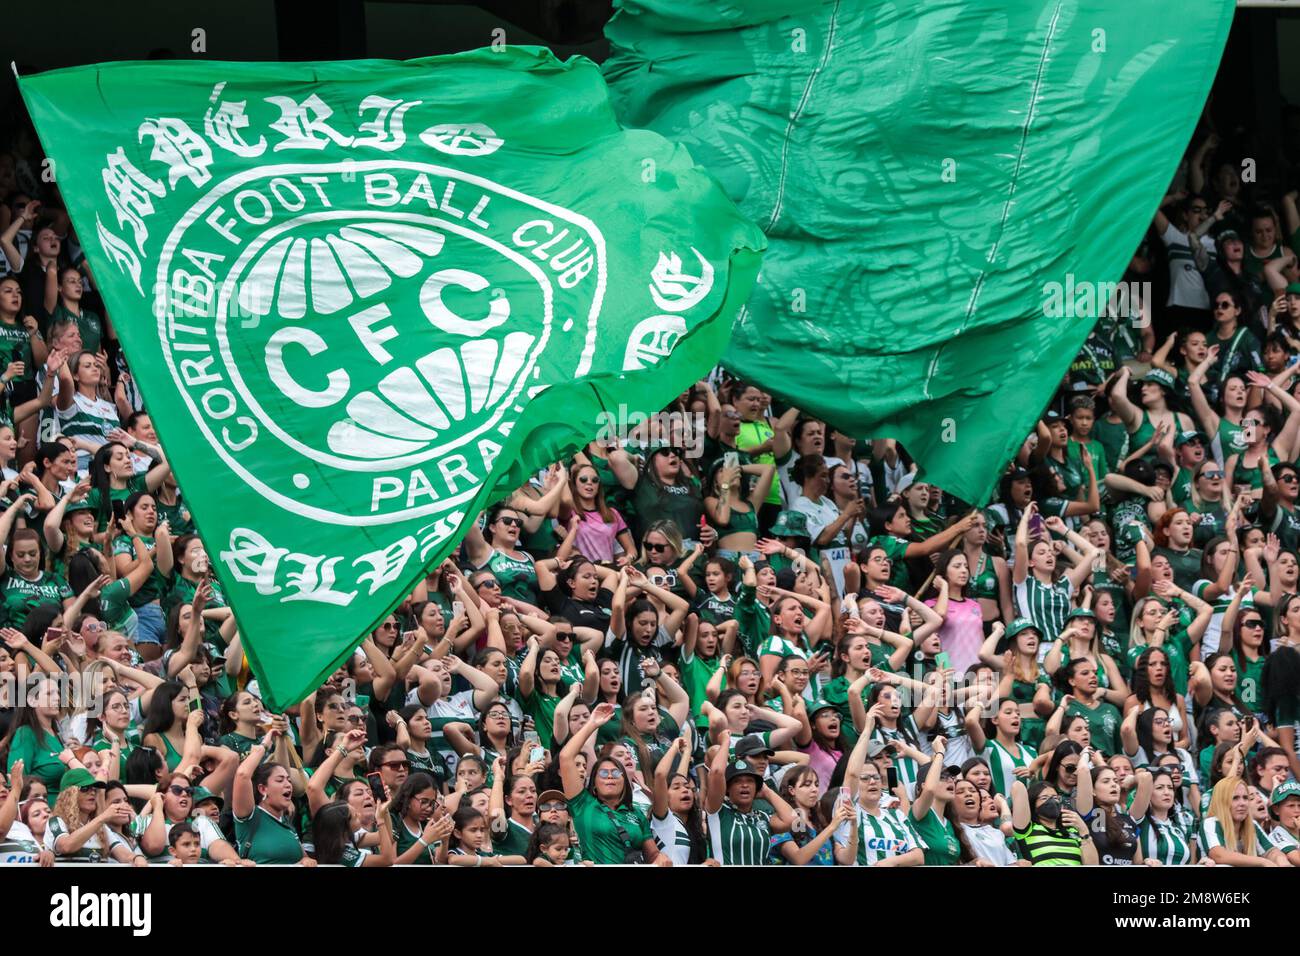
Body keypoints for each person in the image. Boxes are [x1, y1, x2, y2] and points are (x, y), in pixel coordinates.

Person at [559, 702, 667, 865]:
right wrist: (592, 724)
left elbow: (652, 855)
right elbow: (566, 757)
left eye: (616, 772)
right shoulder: (583, 805)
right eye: (603, 773)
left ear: (624, 781)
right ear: (594, 784)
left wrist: (661, 858)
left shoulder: (637, 813)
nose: (610, 776)